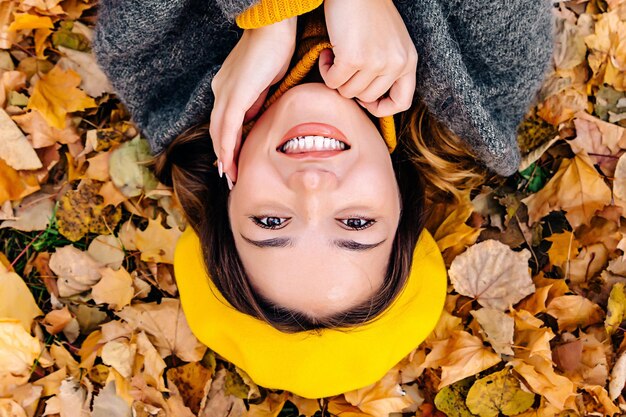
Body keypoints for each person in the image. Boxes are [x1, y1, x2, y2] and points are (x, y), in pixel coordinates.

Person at [93, 0, 554, 398]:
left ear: (224, 198)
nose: (312, 187)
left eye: (270, 223)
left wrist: (271, 16)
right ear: (402, 206)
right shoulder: (490, 77)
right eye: (356, 225)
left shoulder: (152, 63)